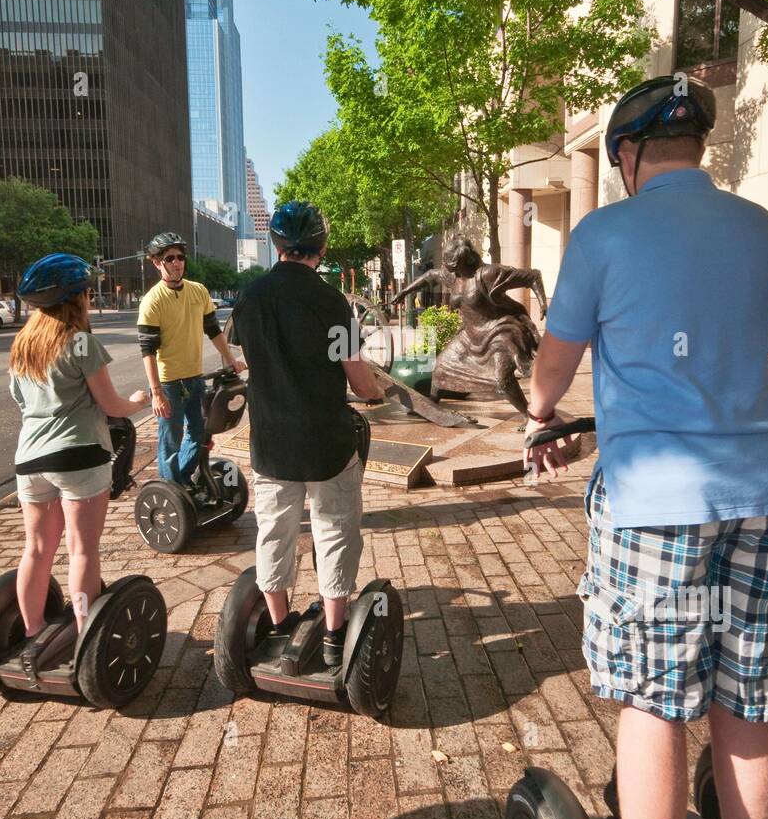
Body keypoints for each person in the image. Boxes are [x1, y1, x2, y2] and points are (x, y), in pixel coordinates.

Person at [523, 75, 768, 819]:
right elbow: (717, 345)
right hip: (767, 493)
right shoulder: (760, 231)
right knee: (748, 701)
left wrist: (541, 420)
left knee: (654, 707)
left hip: (656, 505)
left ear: (624, 155)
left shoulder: (604, 232)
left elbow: (553, 369)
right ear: (700, 147)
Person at [231, 201, 383, 667]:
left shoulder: (249, 297)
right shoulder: (332, 302)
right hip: (326, 443)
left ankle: (277, 627)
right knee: (335, 530)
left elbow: (243, 361)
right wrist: (374, 391)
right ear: (321, 245)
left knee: (273, 532)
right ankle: (335, 635)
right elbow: (358, 379)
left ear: (277, 245)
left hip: (271, 443)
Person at [10, 254, 149, 680]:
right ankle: (87, 630)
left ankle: (34, 632)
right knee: (82, 550)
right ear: (77, 298)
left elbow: (20, 402)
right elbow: (110, 404)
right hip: (78, 455)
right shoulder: (82, 341)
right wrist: (138, 403)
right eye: (88, 292)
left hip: (29, 459)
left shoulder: (22, 344)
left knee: (36, 549)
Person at [390, 235, 547, 417]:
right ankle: (431, 405)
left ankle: (531, 417)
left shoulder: (488, 274)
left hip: (499, 333)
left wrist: (543, 302)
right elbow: (430, 276)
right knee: (441, 366)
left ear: (462, 262)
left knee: (502, 380)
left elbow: (532, 276)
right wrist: (404, 292)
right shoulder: (454, 277)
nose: (449, 272)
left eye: (452, 267)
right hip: (470, 335)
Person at [137, 232, 245, 492]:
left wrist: (232, 361)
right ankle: (171, 491)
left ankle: (180, 484)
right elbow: (147, 351)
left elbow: (214, 331)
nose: (177, 263)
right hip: (169, 384)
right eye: (169, 258)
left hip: (195, 379)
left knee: (200, 436)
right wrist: (156, 393)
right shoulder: (152, 301)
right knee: (170, 442)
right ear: (156, 263)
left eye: (180, 257)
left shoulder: (198, 292)